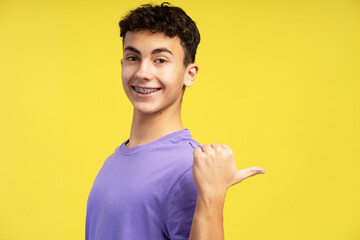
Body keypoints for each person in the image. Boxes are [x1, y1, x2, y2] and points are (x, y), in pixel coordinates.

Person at [85, 2, 265, 240]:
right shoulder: (115, 160)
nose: (142, 73)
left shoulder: (188, 169)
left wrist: (211, 194)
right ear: (122, 65)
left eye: (160, 60)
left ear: (189, 74)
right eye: (132, 57)